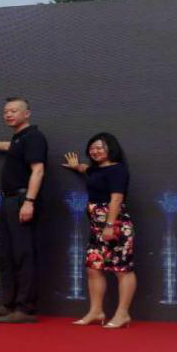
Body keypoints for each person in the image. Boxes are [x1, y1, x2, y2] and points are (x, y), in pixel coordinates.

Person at [0, 97, 47, 324]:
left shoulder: (34, 137)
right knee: (6, 255)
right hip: (7, 201)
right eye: (6, 111)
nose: (8, 114)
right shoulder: (19, 138)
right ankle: (9, 304)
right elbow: (10, 147)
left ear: (27, 113)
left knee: (23, 255)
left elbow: (38, 170)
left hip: (22, 199)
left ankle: (26, 309)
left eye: (13, 111)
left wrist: (29, 201)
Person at [62, 133, 136, 329]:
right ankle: (96, 312)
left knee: (122, 269)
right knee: (93, 268)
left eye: (99, 148)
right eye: (92, 148)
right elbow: (86, 169)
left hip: (116, 225)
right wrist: (76, 166)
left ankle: (123, 314)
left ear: (111, 149)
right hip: (96, 226)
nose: (95, 151)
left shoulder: (118, 170)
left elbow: (117, 199)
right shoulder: (95, 170)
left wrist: (110, 225)